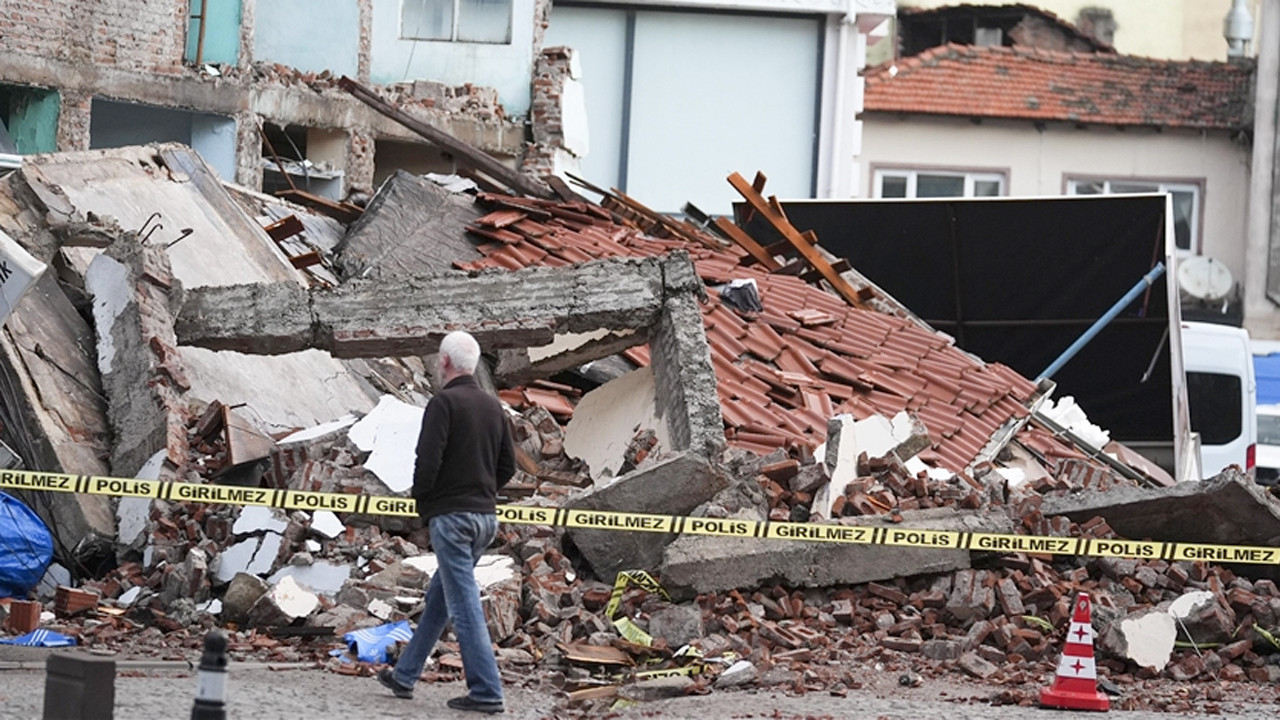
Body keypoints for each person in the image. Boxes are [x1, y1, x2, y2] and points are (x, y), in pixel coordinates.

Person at [378, 330, 515, 714]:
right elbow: (508, 467)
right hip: (485, 520)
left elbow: (427, 461)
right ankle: (405, 675)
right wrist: (483, 491)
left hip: (452, 519)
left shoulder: (443, 404)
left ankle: (487, 690)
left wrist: (425, 504)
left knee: (464, 603)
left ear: (444, 362)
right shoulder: (494, 408)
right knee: (442, 597)